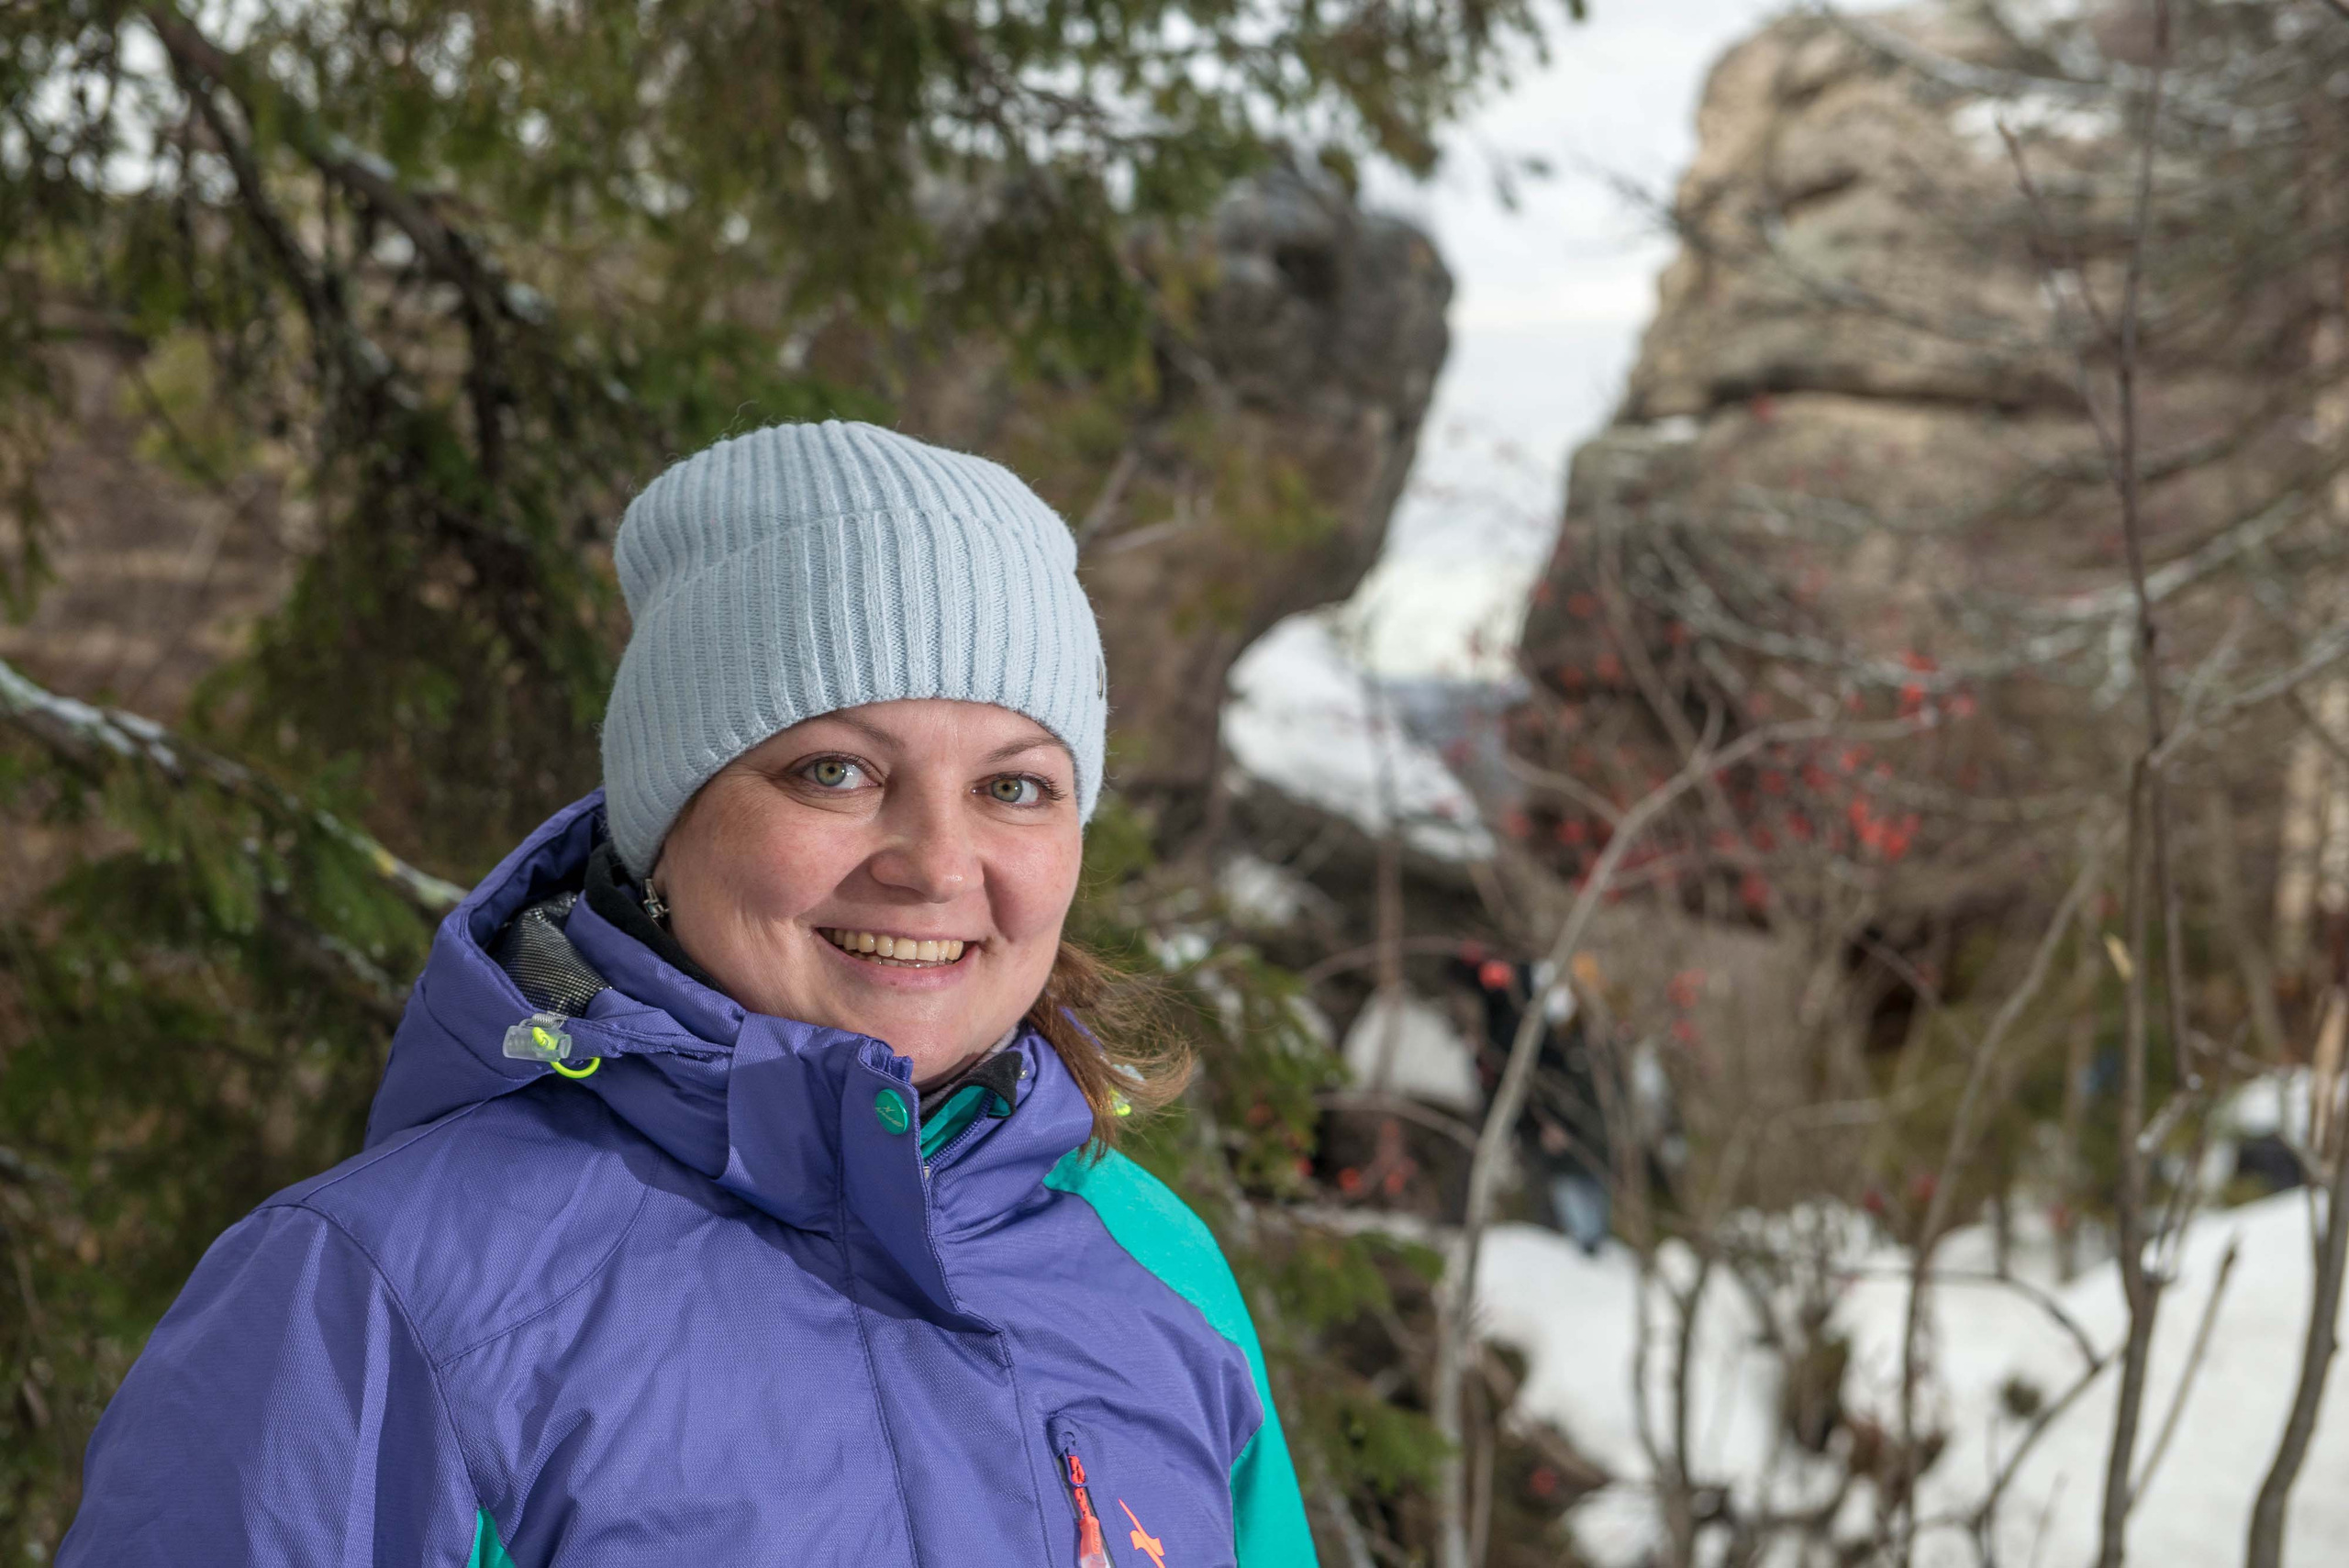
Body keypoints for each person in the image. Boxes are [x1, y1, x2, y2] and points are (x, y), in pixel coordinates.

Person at [60, 422, 1316, 1568]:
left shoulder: (1155, 1264)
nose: (937, 863)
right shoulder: (375, 1297)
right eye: (835, 769)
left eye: (1017, 786)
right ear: (668, 821)